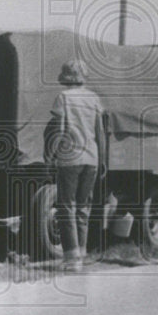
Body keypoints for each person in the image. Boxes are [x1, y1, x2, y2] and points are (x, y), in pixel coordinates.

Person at [47, 59, 105, 271]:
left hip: (70, 158)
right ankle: (81, 252)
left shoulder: (63, 98)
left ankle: (72, 259)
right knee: (83, 208)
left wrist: (51, 155)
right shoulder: (94, 98)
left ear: (66, 77)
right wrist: (103, 159)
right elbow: (100, 132)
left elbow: (59, 130)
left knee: (66, 207)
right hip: (92, 157)